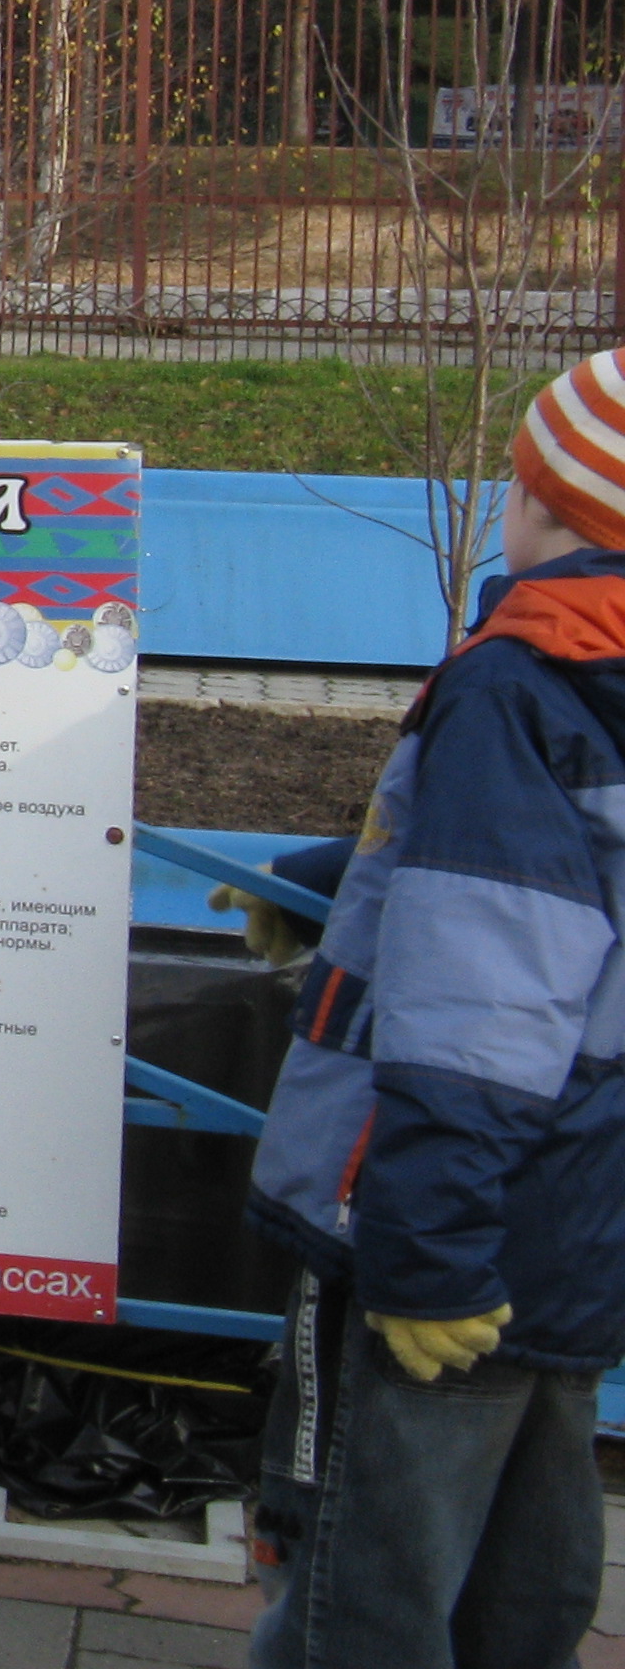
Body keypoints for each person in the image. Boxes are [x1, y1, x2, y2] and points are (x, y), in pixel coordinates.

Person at [244, 348, 625, 1668]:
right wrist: (337, 886)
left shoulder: (525, 687)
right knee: (528, 1563)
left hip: (463, 1225)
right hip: (583, 1219)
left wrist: (431, 1253)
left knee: (371, 1591)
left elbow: (483, 1012)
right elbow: (560, 890)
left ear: (548, 505)